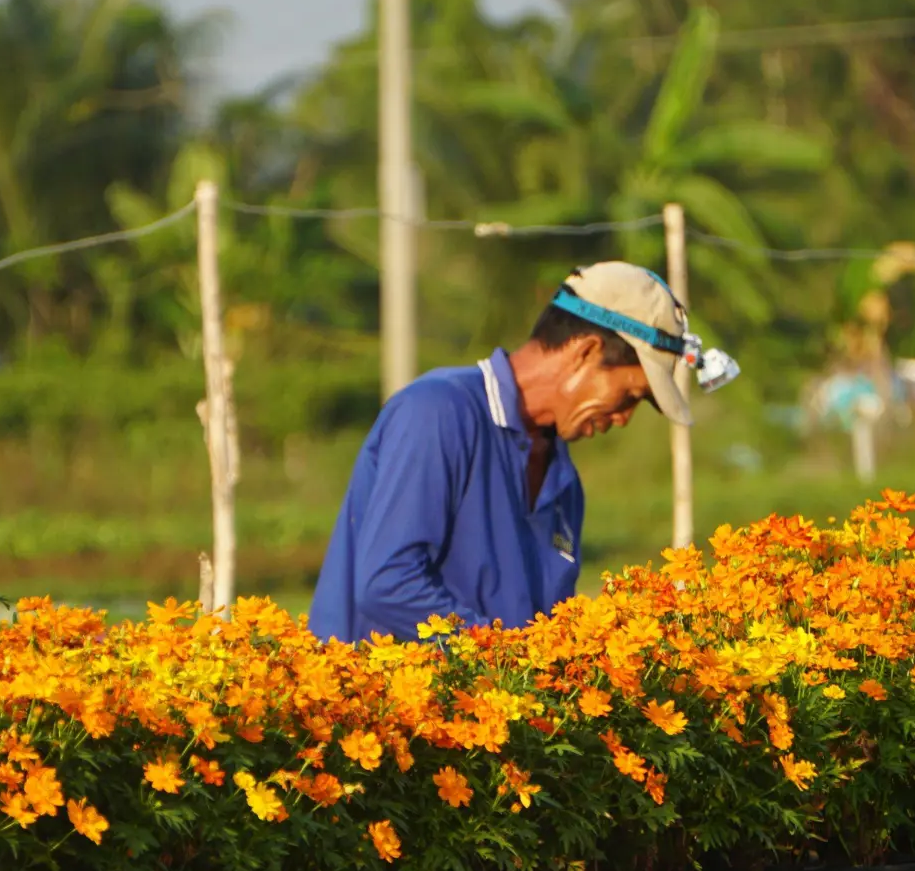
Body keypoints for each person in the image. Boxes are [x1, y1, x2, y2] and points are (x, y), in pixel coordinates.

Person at [309, 261, 739, 643]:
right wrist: (504, 659)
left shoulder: (563, 482)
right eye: (629, 396)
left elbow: (542, 627)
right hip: (388, 721)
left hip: (493, 724)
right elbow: (388, 583)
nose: (624, 419)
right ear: (586, 352)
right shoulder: (439, 412)